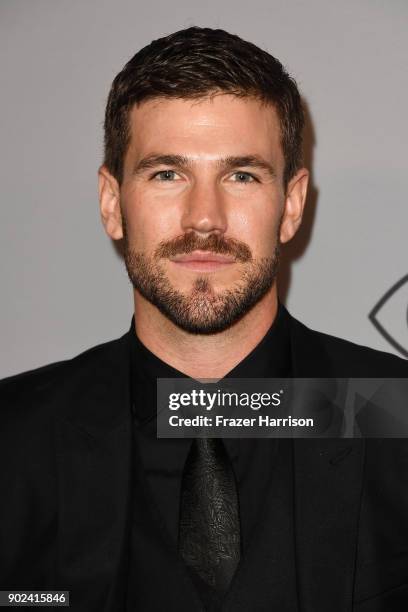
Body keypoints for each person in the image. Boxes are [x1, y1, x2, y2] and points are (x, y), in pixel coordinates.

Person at [1, 26, 407, 612]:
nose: (204, 219)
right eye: (167, 173)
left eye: (241, 175)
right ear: (113, 203)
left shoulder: (395, 416)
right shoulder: (13, 440)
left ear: (290, 206)